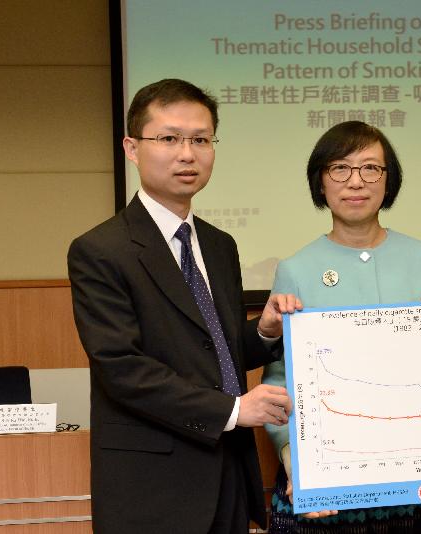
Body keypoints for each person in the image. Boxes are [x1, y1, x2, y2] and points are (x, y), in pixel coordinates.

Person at [68, 78, 300, 534]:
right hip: (153, 487)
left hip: (228, 474)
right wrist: (233, 412)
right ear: (132, 148)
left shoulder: (218, 244)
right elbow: (121, 368)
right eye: (169, 138)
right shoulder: (100, 250)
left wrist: (265, 331)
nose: (187, 154)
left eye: (200, 140)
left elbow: (214, 350)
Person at [261, 121, 421, 533]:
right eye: (340, 168)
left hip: (416, 478)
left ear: (389, 181)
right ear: (320, 182)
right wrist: (293, 460)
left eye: (370, 168)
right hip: (327, 483)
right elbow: (280, 379)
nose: (356, 181)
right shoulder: (295, 269)